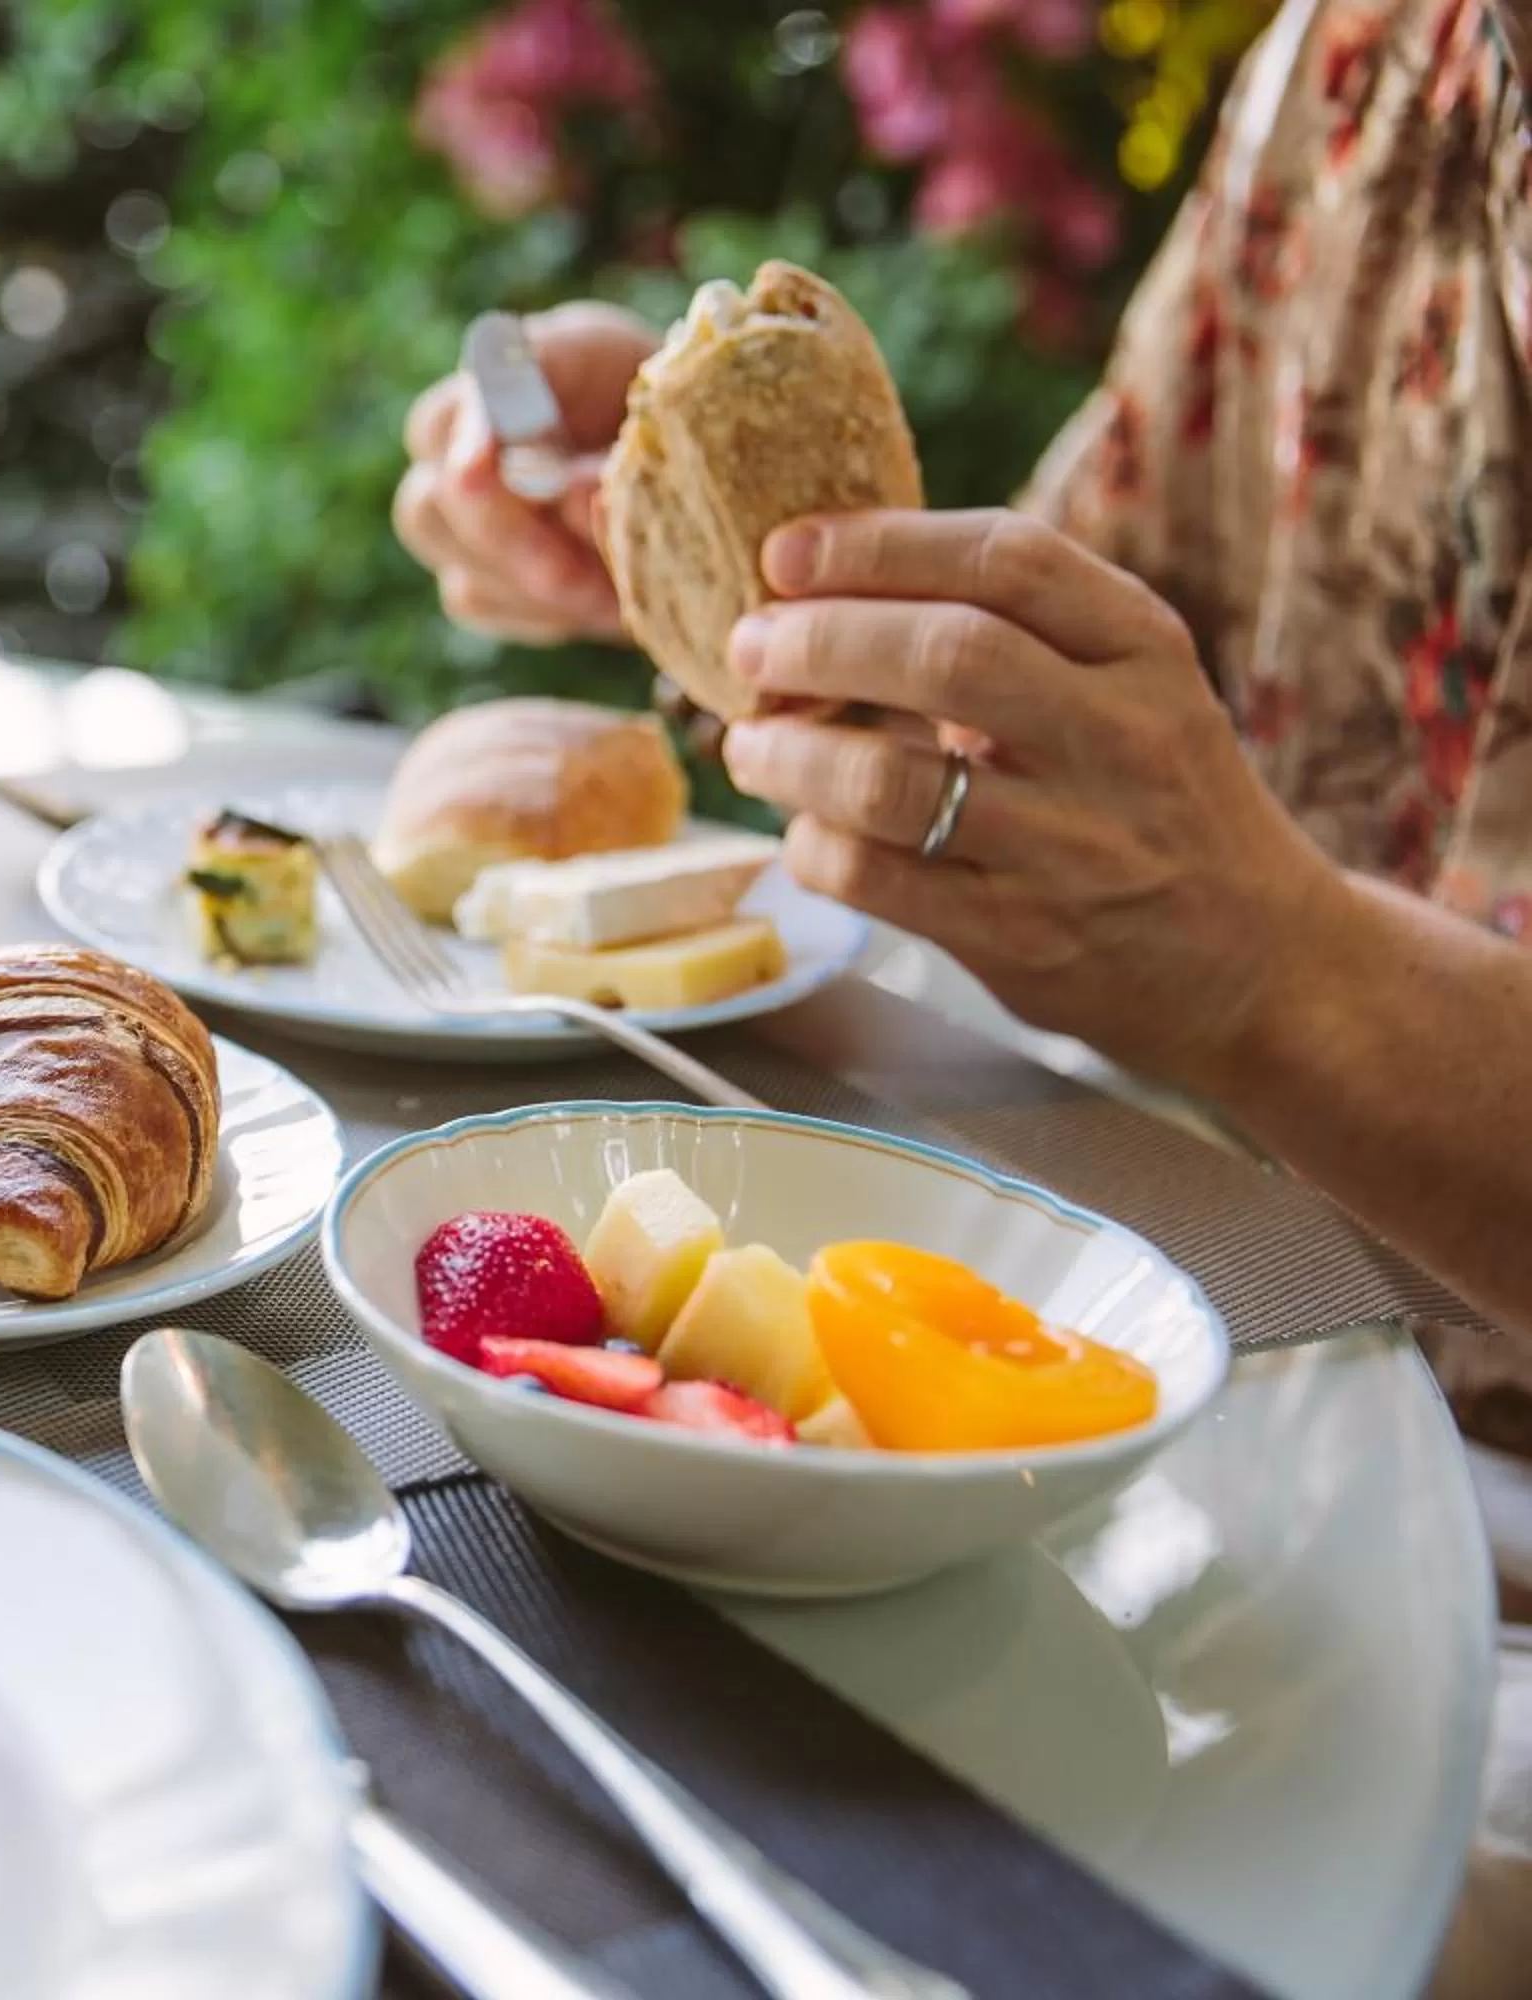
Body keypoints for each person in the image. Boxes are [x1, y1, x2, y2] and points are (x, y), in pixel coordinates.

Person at [396, 4, 1532, 1990]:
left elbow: (1229, 904)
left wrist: (1276, 971)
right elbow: (1071, 664)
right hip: (1224, 1416)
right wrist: (706, 552)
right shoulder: (1364, 52)